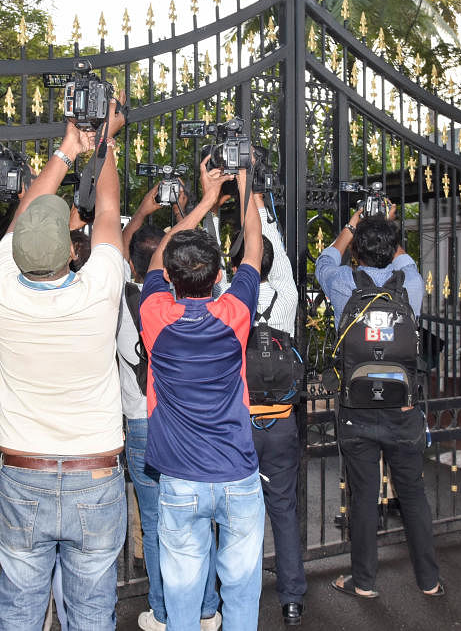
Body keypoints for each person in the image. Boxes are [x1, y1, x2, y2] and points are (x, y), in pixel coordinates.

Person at [0, 106, 128, 630]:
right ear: (73, 252)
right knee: (91, 611)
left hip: (25, 474)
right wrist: (105, 141)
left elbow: (25, 213)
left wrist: (67, 149)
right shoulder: (99, 291)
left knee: (21, 610)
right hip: (95, 472)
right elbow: (109, 213)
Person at [139, 158, 264, 631]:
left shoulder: (155, 315)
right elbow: (253, 248)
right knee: (242, 590)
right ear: (218, 277)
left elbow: (155, 258)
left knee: (183, 592)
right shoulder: (234, 313)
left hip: (180, 481)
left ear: (170, 279)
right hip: (236, 474)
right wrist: (247, 186)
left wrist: (205, 201)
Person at [314, 209, 442, 600]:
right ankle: (429, 581)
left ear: (357, 254)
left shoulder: (342, 283)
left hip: (357, 412)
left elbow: (324, 260)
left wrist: (352, 227)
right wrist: (388, 227)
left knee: (364, 497)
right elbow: (401, 257)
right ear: (393, 248)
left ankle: (365, 582)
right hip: (404, 412)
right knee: (414, 495)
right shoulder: (412, 284)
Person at [119, 187, 221, 631]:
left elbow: (119, 250)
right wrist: (193, 207)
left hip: (139, 422)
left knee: (157, 522)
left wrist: (141, 211)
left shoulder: (120, 300)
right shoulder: (179, 302)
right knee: (197, 515)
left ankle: (162, 611)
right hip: (182, 419)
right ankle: (206, 607)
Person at [227, 193, 306, 625]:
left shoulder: (229, 298)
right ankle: (292, 598)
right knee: (284, 510)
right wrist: (256, 198)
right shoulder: (287, 298)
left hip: (238, 426)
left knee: (239, 513)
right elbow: (276, 255)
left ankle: (239, 593)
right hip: (280, 425)